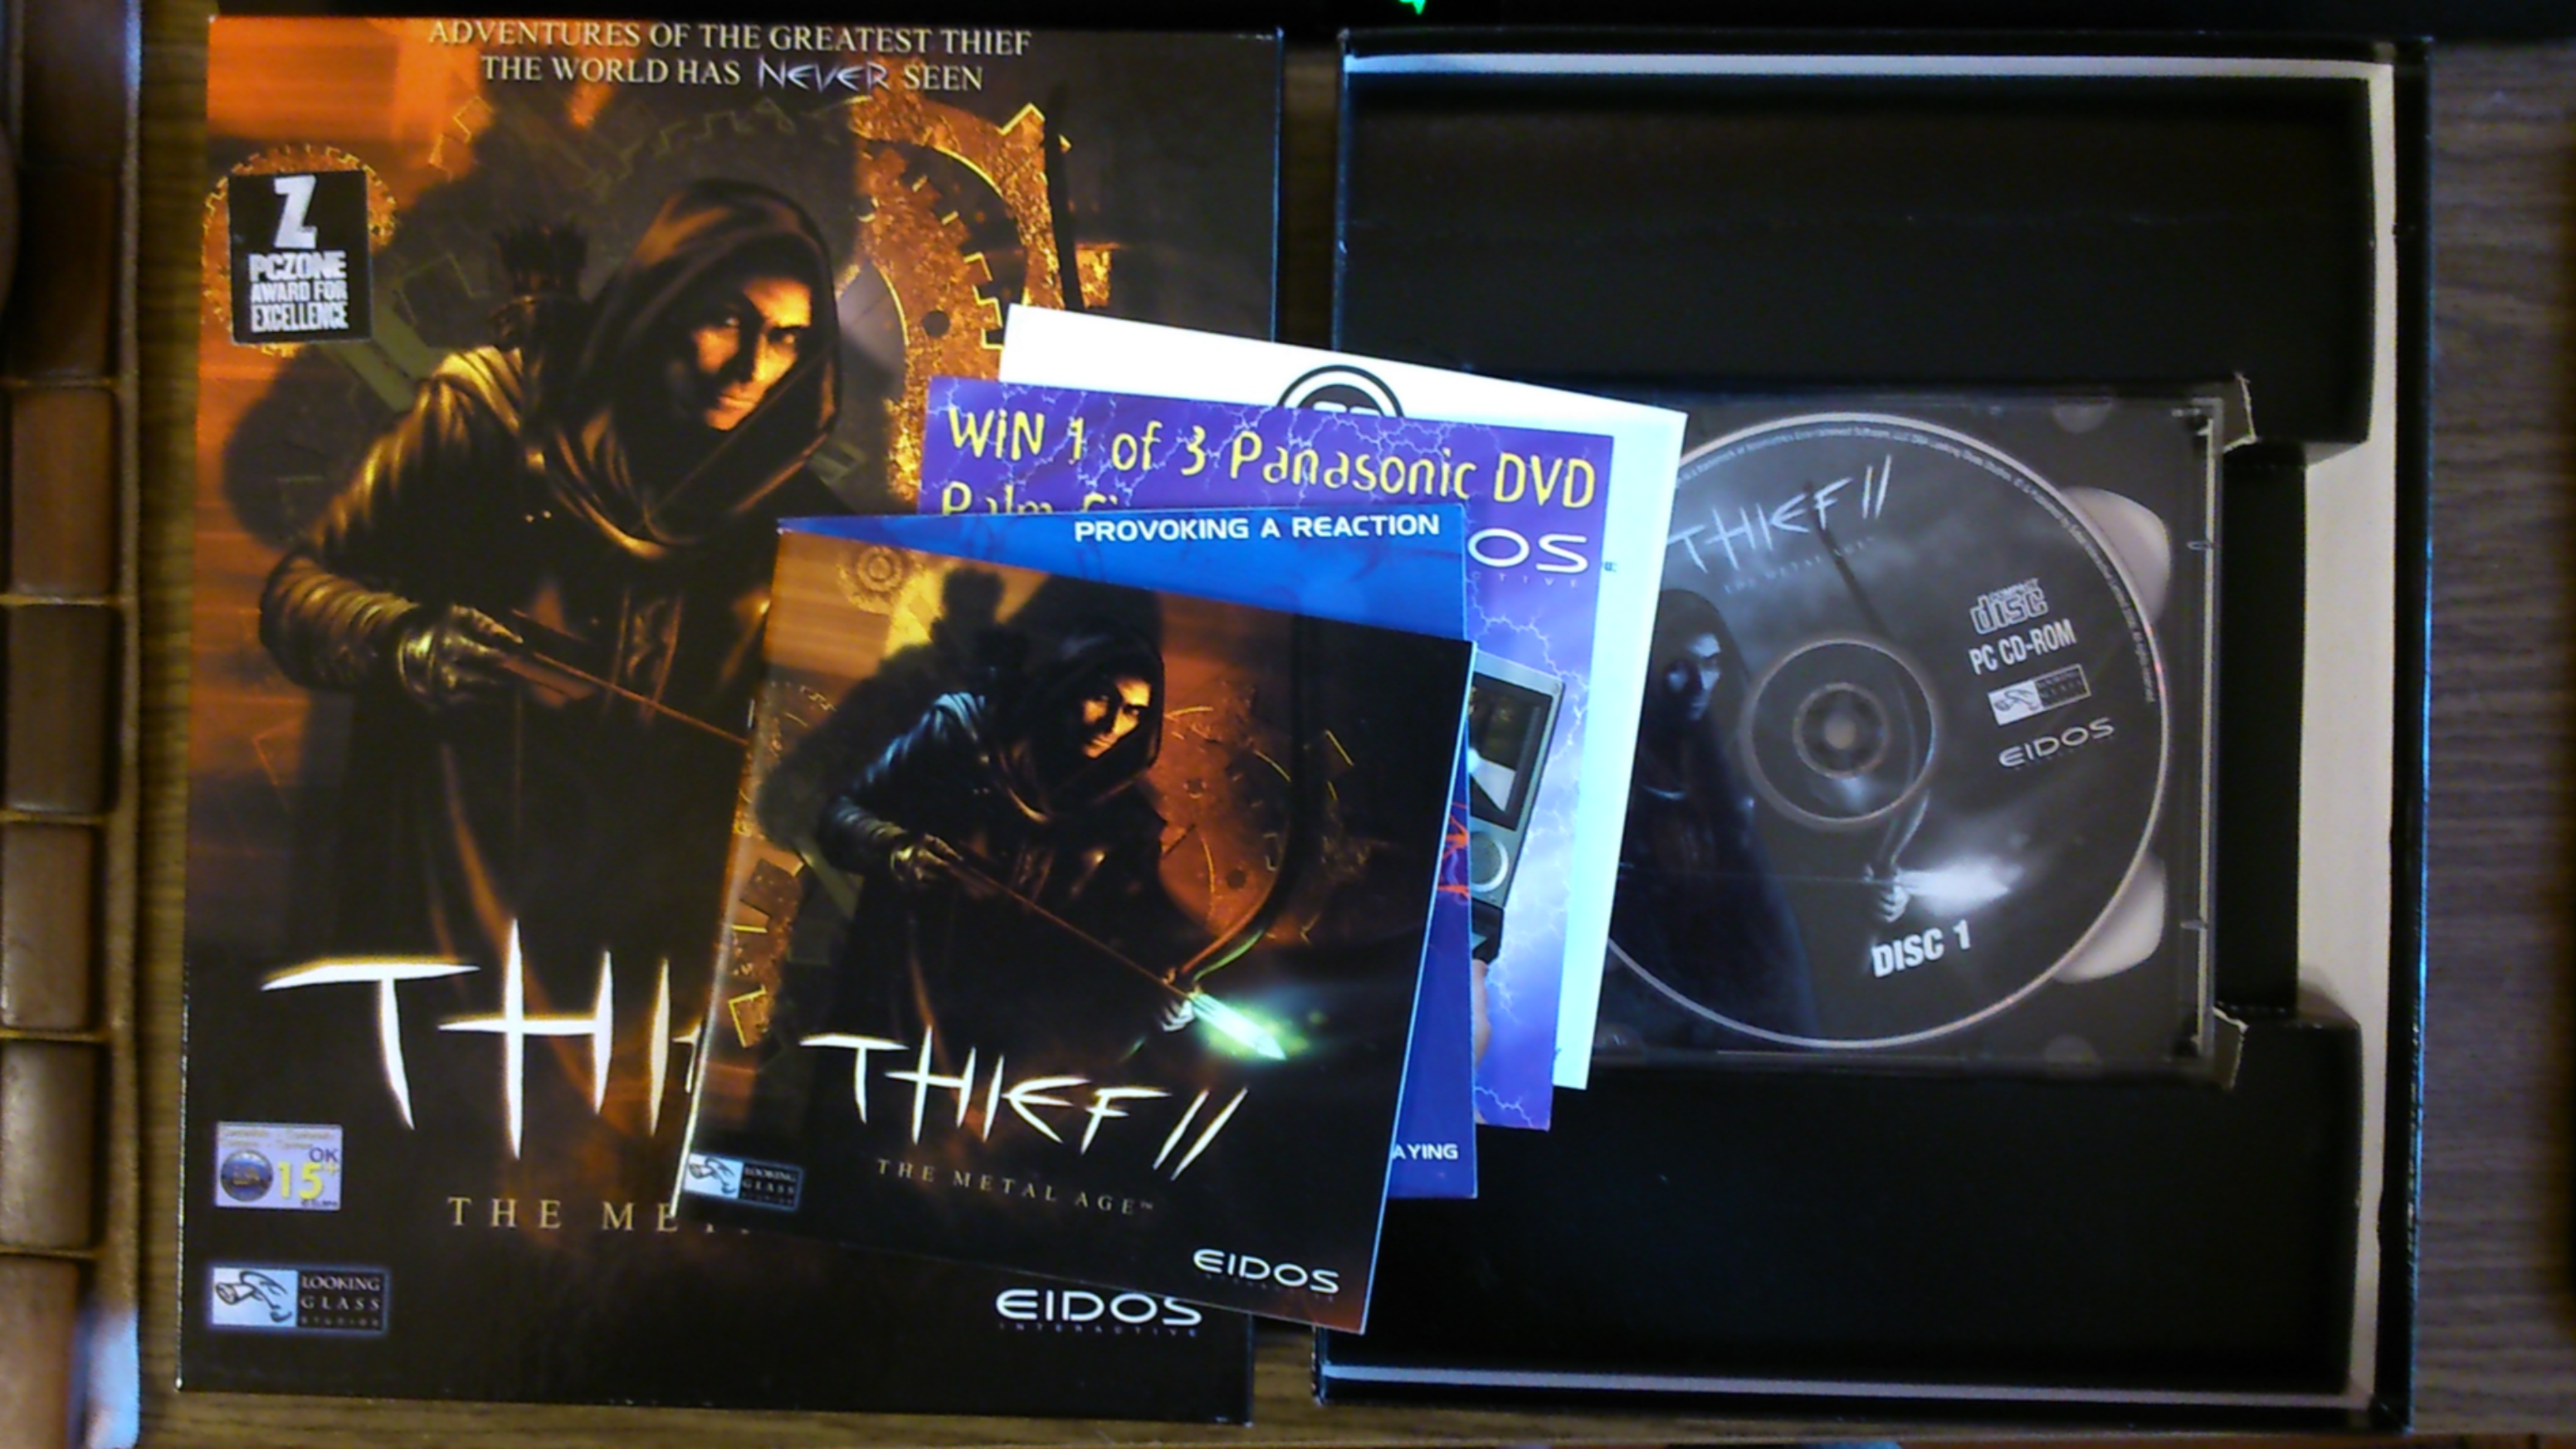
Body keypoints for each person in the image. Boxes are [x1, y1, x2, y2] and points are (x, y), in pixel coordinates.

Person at [258, 179, 842, 1137]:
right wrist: (404, 640)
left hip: (648, 939)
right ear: (658, 307)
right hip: (464, 894)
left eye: (785, 338)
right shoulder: (487, 413)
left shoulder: (797, 511)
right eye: (724, 322)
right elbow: (298, 594)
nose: (750, 366)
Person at [811, 618, 1203, 1072]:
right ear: (1067, 684)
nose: (1113, 725)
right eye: (1102, 698)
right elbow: (839, 817)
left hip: (997, 1050)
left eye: (1134, 712)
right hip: (894, 1003)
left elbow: (1127, 946)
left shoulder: (1122, 822)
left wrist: (1167, 999)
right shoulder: (962, 733)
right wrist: (896, 850)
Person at [1601, 589, 1818, 1048]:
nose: (1700, 682)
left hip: (1769, 985)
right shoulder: (1612, 765)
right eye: (1680, 665)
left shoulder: (1757, 754)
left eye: (1713, 662)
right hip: (1675, 999)